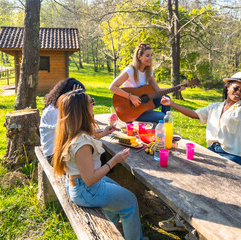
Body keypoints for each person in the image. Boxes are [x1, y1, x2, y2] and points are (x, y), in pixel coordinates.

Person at [52, 89, 143, 240]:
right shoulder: (82, 144)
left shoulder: (71, 131)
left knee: (120, 192)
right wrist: (114, 160)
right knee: (130, 202)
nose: (93, 105)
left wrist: (103, 132)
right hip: (86, 190)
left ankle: (113, 231)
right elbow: (90, 179)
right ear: (82, 110)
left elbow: (86, 136)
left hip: (80, 185)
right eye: (91, 102)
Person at [39, 78, 115, 161]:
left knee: (99, 153)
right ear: (69, 94)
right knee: (98, 154)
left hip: (61, 152)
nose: (83, 99)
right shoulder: (54, 111)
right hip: (55, 157)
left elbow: (83, 132)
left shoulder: (61, 109)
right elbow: (80, 132)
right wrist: (76, 102)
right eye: (79, 95)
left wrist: (103, 133)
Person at [109, 43, 172, 123]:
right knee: (163, 117)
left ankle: (164, 126)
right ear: (139, 57)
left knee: (166, 98)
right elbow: (112, 87)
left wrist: (175, 88)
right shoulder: (130, 70)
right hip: (132, 110)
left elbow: (158, 91)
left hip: (144, 106)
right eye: (147, 55)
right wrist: (131, 97)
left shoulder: (148, 72)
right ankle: (162, 122)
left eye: (151, 55)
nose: (151, 58)